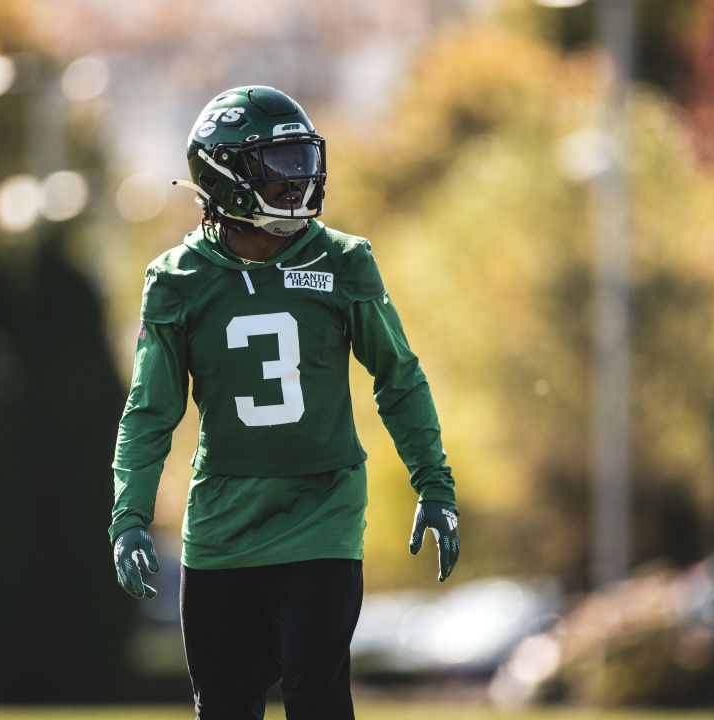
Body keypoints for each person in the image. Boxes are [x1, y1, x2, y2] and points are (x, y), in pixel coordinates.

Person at [109, 85, 459, 720]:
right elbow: (151, 411)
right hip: (223, 523)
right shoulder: (177, 280)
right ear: (225, 178)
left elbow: (398, 376)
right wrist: (129, 516)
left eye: (304, 161)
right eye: (279, 166)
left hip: (322, 510)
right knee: (225, 707)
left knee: (316, 696)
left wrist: (434, 483)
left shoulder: (343, 260)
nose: (299, 181)